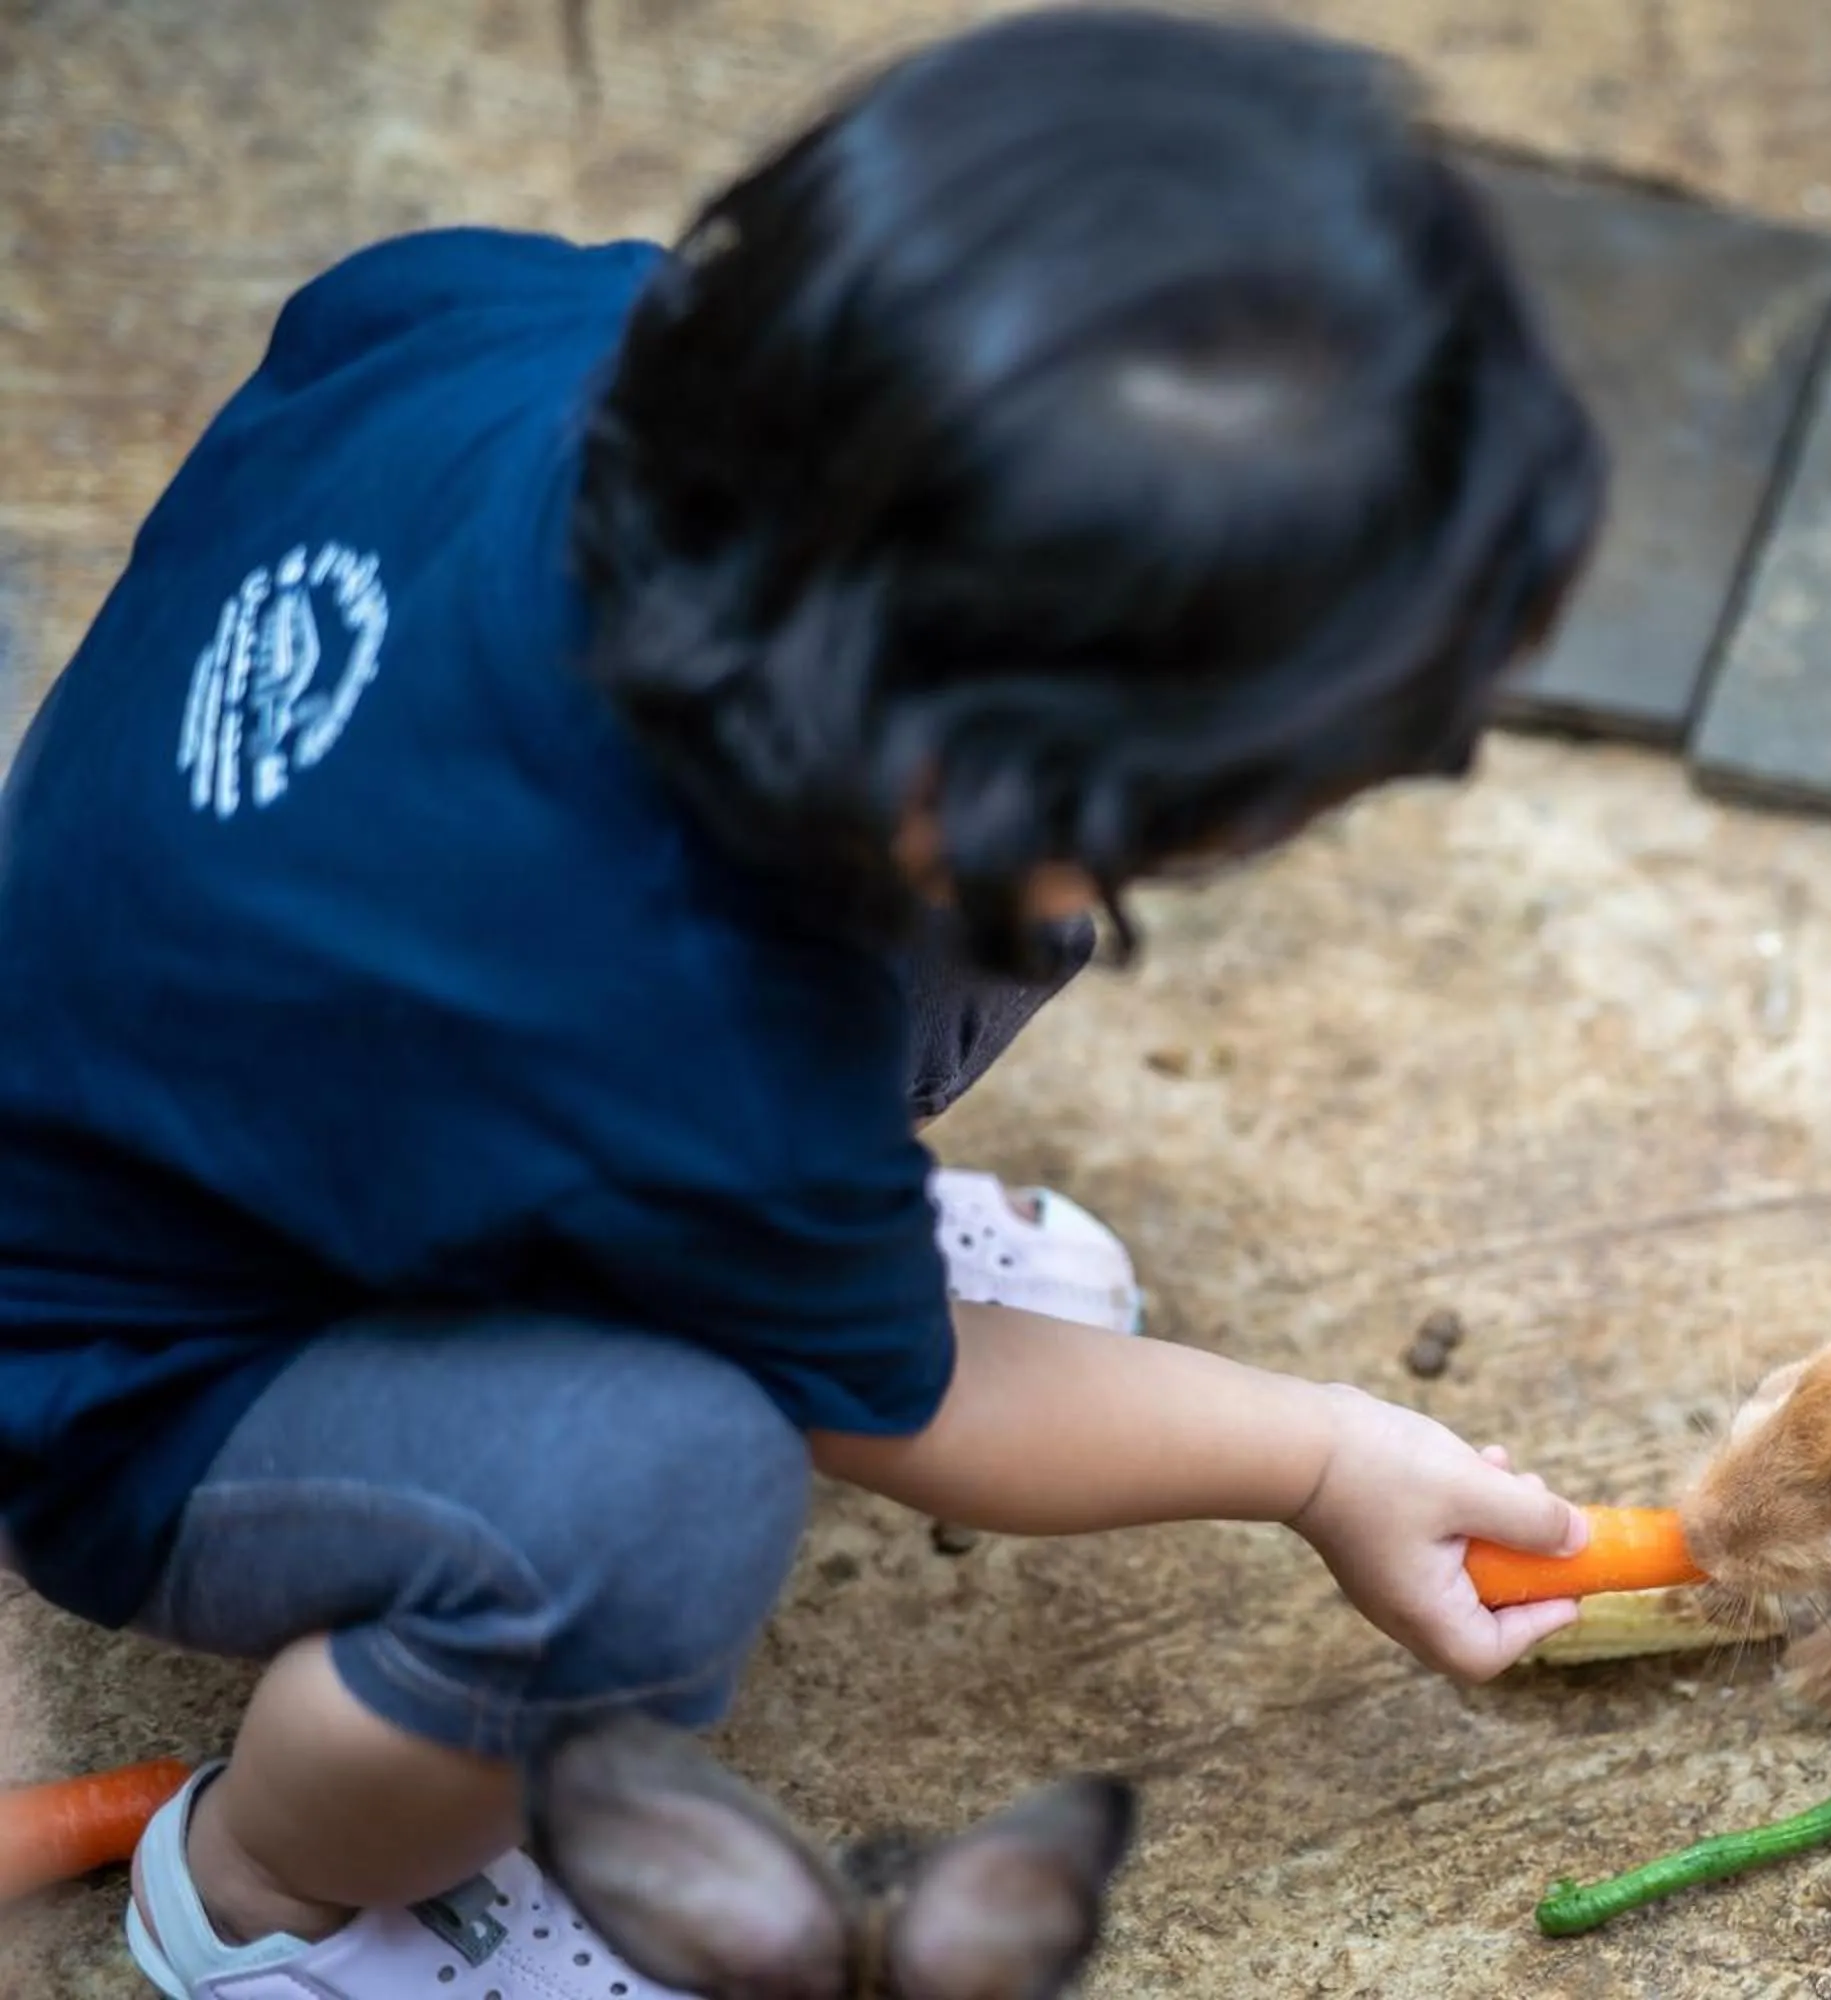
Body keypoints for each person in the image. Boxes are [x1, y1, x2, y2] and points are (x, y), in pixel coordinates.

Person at [0, 10, 1608, 1995]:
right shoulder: (693, 1016)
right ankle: (271, 1894)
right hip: (127, 1365)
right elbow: (926, 1411)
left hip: (269, 1049)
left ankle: (736, 1258)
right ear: (961, 771)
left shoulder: (577, 344)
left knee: (964, 941)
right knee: (654, 1504)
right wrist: (1317, 1456)